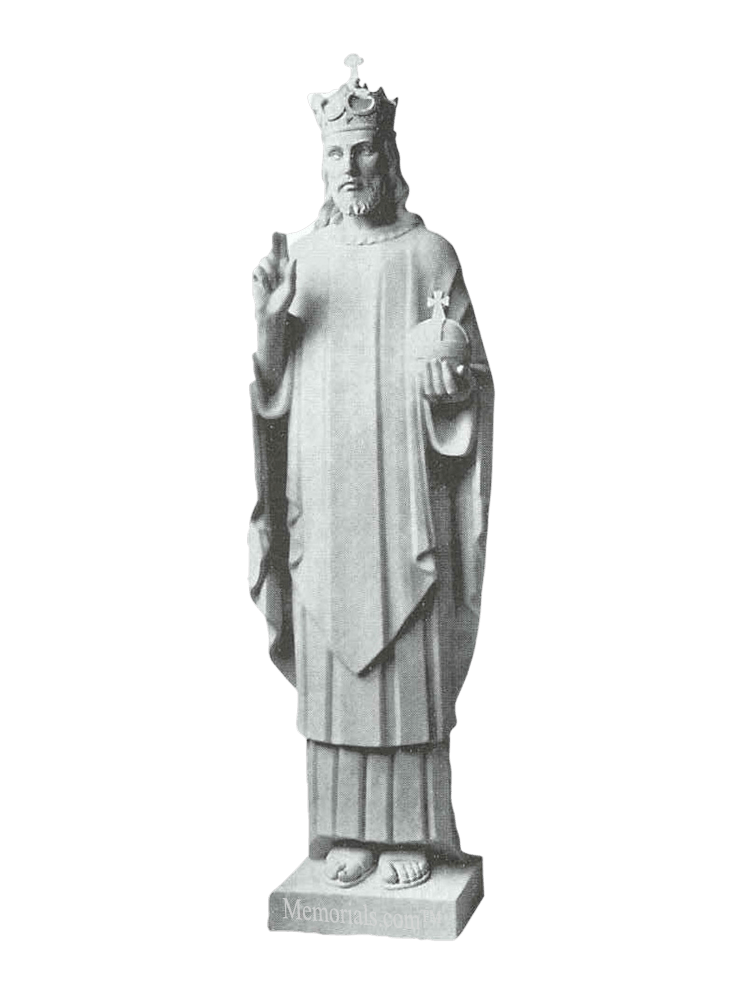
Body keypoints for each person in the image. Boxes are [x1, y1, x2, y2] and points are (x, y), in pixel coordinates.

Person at [249, 55, 494, 890]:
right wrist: (270, 329)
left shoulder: (429, 255)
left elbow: (473, 380)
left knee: (405, 656)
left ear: (389, 156)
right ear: (320, 164)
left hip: (402, 497)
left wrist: (450, 386)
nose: (349, 167)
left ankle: (411, 836)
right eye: (335, 153)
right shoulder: (298, 257)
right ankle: (345, 830)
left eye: (363, 151)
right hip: (322, 490)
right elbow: (270, 396)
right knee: (332, 653)